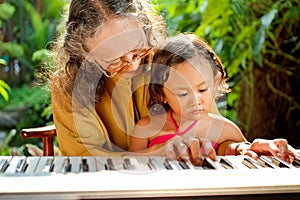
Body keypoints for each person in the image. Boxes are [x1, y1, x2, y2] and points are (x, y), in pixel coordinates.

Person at [50, 0, 297, 165]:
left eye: (137, 51)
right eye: (115, 60)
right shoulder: (71, 86)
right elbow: (87, 164)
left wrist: (241, 149)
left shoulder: (167, 64)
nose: (135, 66)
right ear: (84, 53)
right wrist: (155, 154)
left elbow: (209, 136)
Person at [128, 33, 297, 164]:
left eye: (203, 89)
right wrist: (158, 152)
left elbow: (245, 155)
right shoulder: (146, 128)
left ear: (215, 82)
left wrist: (252, 150)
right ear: (160, 94)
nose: (195, 100)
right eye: (182, 93)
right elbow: (124, 165)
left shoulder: (225, 129)